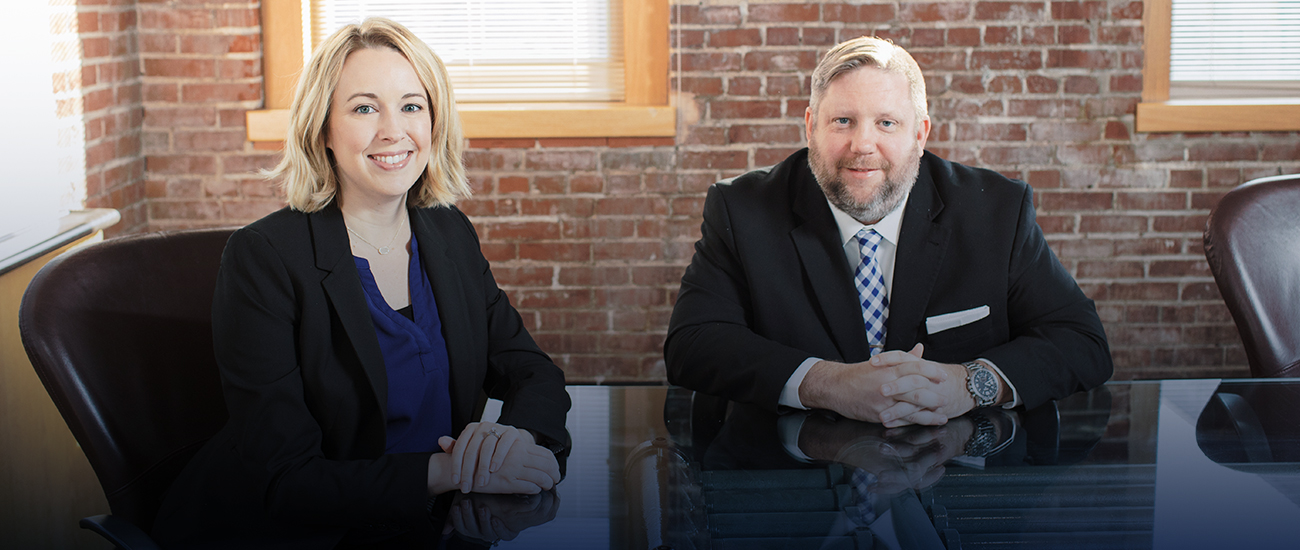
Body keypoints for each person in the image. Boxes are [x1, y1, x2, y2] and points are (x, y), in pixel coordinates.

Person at [153, 18, 570, 547]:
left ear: (435, 122)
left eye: (412, 106)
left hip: (435, 524)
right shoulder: (264, 259)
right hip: (306, 533)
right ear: (323, 129)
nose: (393, 130)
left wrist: (513, 443)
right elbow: (287, 479)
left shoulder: (448, 233)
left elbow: (533, 371)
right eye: (364, 108)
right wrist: (452, 473)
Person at [664, 36, 1112, 429]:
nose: (862, 145)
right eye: (843, 121)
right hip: (796, 482)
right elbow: (693, 344)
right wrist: (826, 384)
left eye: (886, 123)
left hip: (959, 481)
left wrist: (970, 384)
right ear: (809, 127)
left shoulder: (996, 211)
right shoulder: (742, 210)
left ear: (920, 134)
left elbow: (1081, 341)